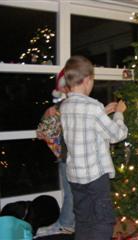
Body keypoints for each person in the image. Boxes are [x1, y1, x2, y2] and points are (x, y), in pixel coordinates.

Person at [60, 55, 128, 240]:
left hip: (75, 176)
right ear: (88, 80)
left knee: (83, 219)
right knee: (103, 221)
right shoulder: (92, 107)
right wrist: (119, 115)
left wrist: (104, 112)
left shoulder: (65, 106)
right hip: (94, 177)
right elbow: (116, 135)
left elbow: (84, 123)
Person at [36, 69, 75, 237]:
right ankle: (68, 222)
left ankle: (66, 223)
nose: (66, 89)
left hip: (72, 156)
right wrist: (47, 115)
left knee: (71, 193)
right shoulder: (58, 107)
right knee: (70, 192)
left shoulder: (74, 106)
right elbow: (41, 132)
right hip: (64, 155)